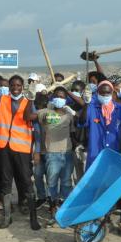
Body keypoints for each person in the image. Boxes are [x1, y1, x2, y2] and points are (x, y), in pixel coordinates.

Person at [0, 59, 41, 230]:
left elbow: (36, 127)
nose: (15, 87)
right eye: (13, 85)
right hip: (4, 149)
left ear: (22, 87)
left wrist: (37, 151)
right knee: (6, 183)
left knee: (27, 182)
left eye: (18, 85)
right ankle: (7, 217)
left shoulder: (29, 102)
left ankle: (33, 218)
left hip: (22, 150)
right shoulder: (1, 100)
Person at [79, 80, 121, 236]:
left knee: (119, 188)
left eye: (107, 93)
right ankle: (100, 219)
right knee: (96, 188)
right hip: (96, 156)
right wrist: (85, 104)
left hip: (116, 155)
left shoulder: (120, 109)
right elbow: (82, 122)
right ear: (97, 94)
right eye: (101, 93)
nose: (104, 95)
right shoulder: (92, 108)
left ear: (112, 93)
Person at [29, 87, 81, 220]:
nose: (60, 98)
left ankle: (65, 207)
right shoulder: (45, 112)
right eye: (57, 96)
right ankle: (53, 206)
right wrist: (30, 99)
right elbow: (27, 116)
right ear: (53, 98)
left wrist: (75, 113)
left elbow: (79, 125)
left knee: (66, 182)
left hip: (67, 153)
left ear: (66, 100)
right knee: (52, 182)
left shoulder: (69, 114)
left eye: (62, 97)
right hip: (51, 154)